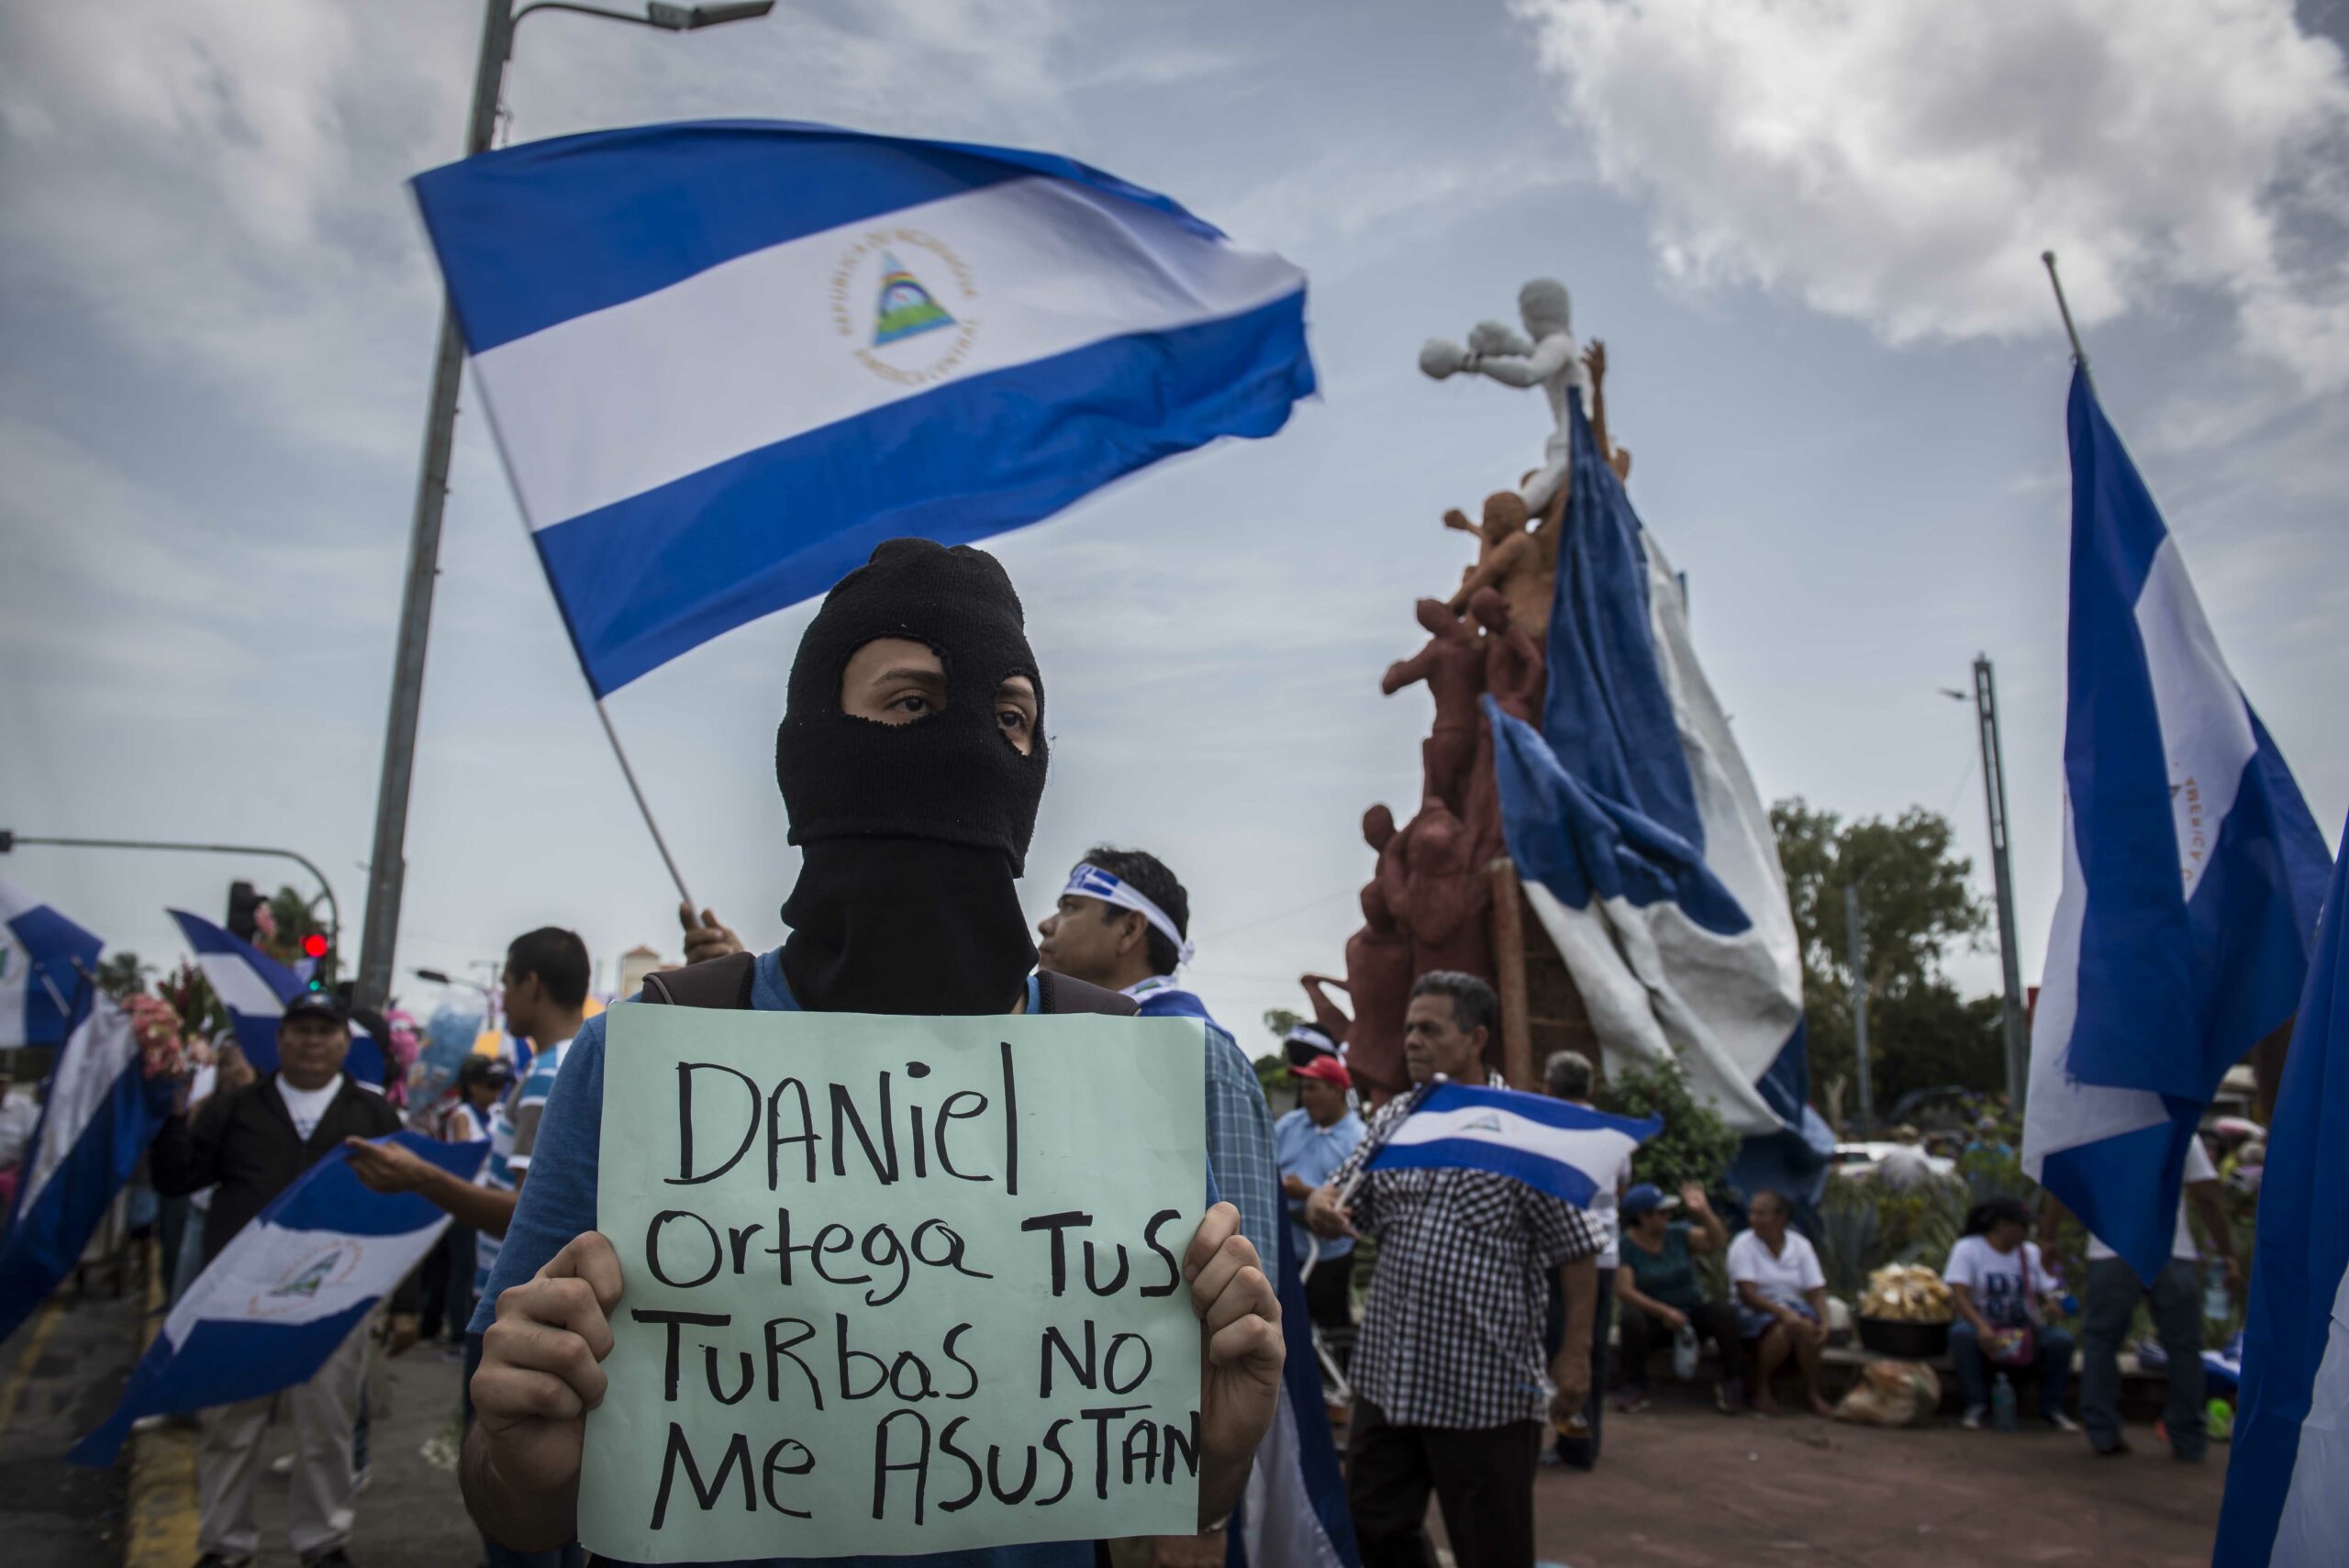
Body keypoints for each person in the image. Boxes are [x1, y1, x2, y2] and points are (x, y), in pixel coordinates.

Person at [459, 539, 1284, 1566]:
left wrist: (1217, 1450)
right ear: (813, 747)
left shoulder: (1115, 1071)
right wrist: (524, 1459)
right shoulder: (646, 1057)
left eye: (1011, 719)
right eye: (911, 704)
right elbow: (512, 1495)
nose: (977, 751)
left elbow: (1155, 1498)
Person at [1305, 972, 1599, 1568]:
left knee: (1493, 1548)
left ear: (1476, 1038)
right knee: (1371, 1527)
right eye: (1410, 1027)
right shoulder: (1393, 1121)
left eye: (1430, 1029)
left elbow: (1577, 1246)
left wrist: (1575, 1352)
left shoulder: (1521, 1131)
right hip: (1389, 1376)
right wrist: (1321, 1204)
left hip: (1484, 1389)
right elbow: (1340, 1192)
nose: (1412, 1040)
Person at [151, 992, 417, 1568]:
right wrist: (168, 1115)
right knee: (230, 1426)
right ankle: (225, 1545)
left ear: (345, 1043)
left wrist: (406, 1305)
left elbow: (405, 1208)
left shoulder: (372, 1117)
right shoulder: (235, 1108)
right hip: (242, 1297)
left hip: (335, 1300)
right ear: (280, 1040)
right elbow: (178, 1178)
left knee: (327, 1430)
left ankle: (322, 1541)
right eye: (301, 1030)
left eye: (326, 1031)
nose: (313, 1041)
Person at [1036, 846, 1284, 1275]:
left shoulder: (1203, 1053)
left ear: (1130, 929)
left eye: (1071, 907)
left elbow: (1249, 1260)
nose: (1046, 923)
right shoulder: (1072, 1040)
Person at [2049, 1132, 2237, 1461]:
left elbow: (2062, 1187)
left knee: (2101, 1343)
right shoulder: (2180, 1130)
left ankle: (2103, 1431)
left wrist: (2049, 1236)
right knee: (2183, 1348)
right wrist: (2227, 1252)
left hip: (2111, 1251)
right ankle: (2188, 1437)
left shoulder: (2096, 1132)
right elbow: (2206, 1194)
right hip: (2172, 1250)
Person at [1542, 1048, 1624, 1469]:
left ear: (1550, 1086)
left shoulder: (1549, 1129)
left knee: (1560, 1344)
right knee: (1594, 1350)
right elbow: (1621, 1187)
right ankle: (1585, 1440)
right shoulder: (1610, 1131)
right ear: (1590, 1087)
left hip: (1562, 1256)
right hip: (1605, 1255)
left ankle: (1567, 1437)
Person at [1942, 1195, 2077, 1431]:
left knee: (2060, 1341)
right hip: (1982, 1325)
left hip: (2022, 1329)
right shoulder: (1969, 1249)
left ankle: (2052, 1409)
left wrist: (2056, 1303)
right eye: (2022, 1226)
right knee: (1961, 1335)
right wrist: (1981, 1326)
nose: (2027, 1231)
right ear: (2002, 1225)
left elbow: (2048, 1291)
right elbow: (1958, 1293)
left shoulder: (2030, 1253)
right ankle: (1976, 1405)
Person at [1614, 1181, 1741, 1414]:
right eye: (1661, 1213)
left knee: (1725, 1313)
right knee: (1632, 1321)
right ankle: (1635, 1386)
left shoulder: (1678, 1234)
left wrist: (1704, 1212)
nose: (1667, 1217)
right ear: (1643, 1217)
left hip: (1689, 1311)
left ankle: (1732, 1382)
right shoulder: (1626, 1245)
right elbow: (1625, 1290)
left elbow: (1716, 1241)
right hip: (1656, 1319)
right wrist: (1663, 1311)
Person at [1275, 1053, 1365, 1365]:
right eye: (1303, 1088)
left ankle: (1337, 1395)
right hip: (1288, 1245)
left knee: (1332, 1328)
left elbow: (1359, 1199)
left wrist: (1305, 1193)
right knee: (1287, 1327)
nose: (1305, 1096)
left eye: (1313, 1088)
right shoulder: (1289, 1125)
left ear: (1337, 1091)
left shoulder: (1358, 1138)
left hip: (1329, 1254)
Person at [1728, 1190, 1832, 1418]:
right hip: (1755, 1307)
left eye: (1761, 1214)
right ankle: (1761, 1388)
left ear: (1780, 1218)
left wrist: (1825, 1321)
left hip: (1793, 1306)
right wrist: (1781, 1312)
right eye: (1752, 1213)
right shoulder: (1743, 1244)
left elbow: (1816, 1290)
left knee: (1807, 1329)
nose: (1754, 1219)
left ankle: (1812, 1391)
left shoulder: (1800, 1246)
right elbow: (1747, 1293)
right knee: (1780, 1332)